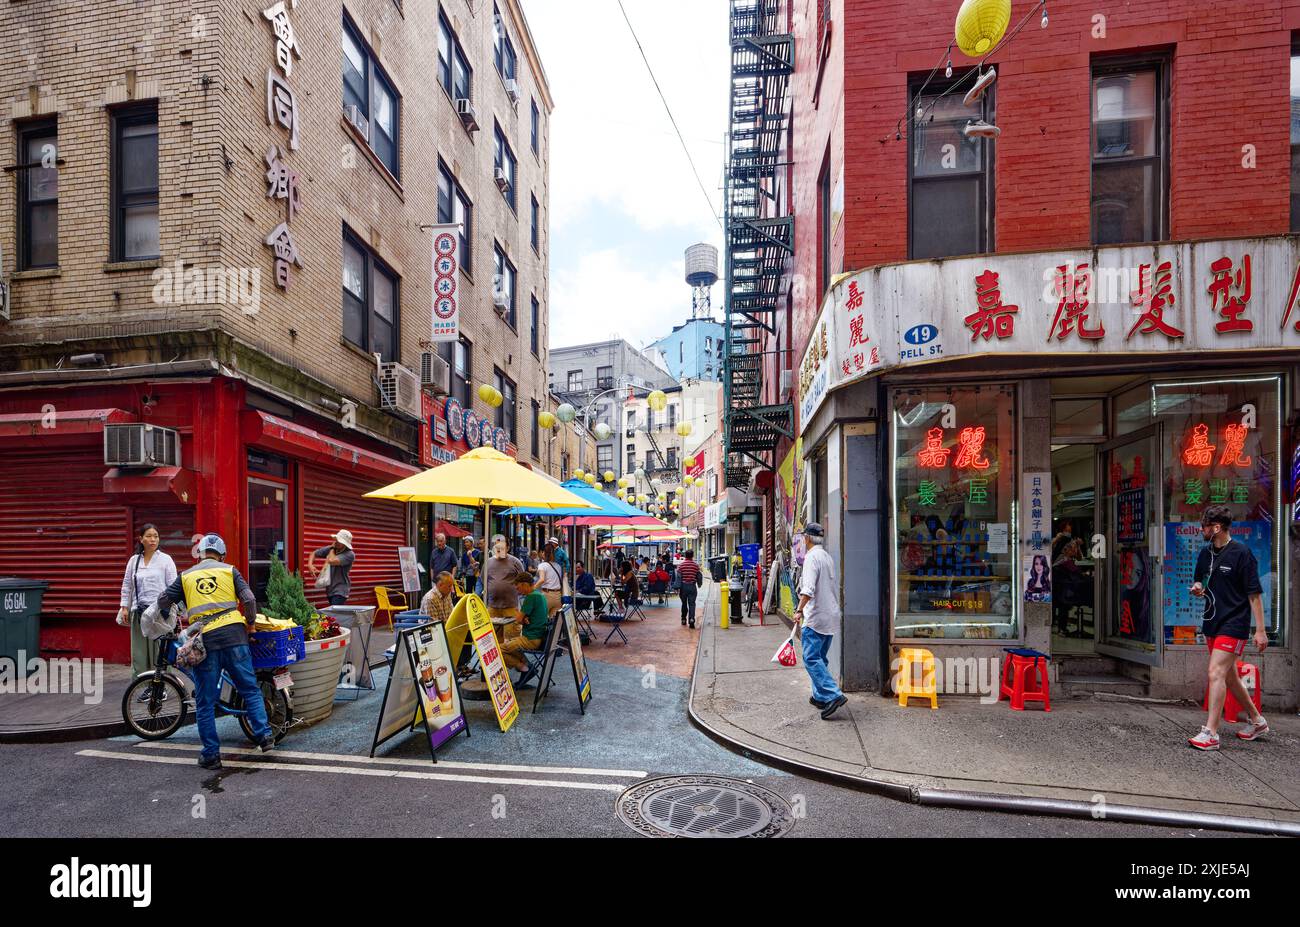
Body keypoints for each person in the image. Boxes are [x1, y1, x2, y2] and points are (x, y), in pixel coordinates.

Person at [154, 534, 274, 769]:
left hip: (205, 641)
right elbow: (249, 599)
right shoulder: (230, 570)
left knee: (206, 701)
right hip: (235, 637)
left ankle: (211, 754)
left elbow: (162, 600)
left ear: (200, 554)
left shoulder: (186, 576)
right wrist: (250, 624)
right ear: (222, 554)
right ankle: (264, 735)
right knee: (249, 689)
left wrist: (175, 611)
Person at [1187, 505, 1270, 751]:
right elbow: (1199, 578)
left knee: (1215, 672)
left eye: (1204, 527)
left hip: (1235, 623)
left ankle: (1211, 733)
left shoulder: (1242, 554)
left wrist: (1260, 630)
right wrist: (1197, 587)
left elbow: (1254, 595)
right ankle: (1257, 720)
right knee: (1230, 677)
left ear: (1216, 528)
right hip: (1212, 622)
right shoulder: (1206, 554)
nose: (1201, 530)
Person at [793, 523, 846, 719]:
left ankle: (833, 694)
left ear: (807, 538)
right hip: (830, 616)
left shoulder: (811, 558)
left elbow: (808, 589)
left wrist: (799, 610)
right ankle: (820, 696)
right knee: (820, 658)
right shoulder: (826, 557)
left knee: (811, 659)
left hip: (816, 617)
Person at [117, 523, 178, 680]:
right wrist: (124, 607)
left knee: (160, 652)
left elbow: (173, 586)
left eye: (155, 536)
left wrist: (174, 610)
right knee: (139, 653)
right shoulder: (134, 561)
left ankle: (163, 685)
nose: (153, 539)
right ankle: (142, 685)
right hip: (139, 612)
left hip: (160, 613)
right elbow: (127, 585)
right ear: (141, 539)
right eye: (149, 536)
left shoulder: (166, 560)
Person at [502, 571, 549, 679]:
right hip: (538, 637)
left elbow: (518, 620)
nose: (518, 591)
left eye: (518, 588)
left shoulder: (531, 597)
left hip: (531, 639)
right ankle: (526, 666)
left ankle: (524, 667)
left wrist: (517, 613)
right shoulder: (540, 595)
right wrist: (524, 618)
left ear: (525, 584)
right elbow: (525, 618)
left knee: (497, 650)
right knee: (511, 646)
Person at [483, 534, 525, 624]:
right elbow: (483, 580)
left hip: (510, 606)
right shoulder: (488, 562)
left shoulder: (515, 562)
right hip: (492, 607)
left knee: (511, 635)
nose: (499, 549)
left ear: (508, 548)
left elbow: (523, 580)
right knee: (493, 635)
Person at [308, 529, 355, 606]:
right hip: (330, 589)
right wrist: (310, 565)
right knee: (335, 615)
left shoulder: (349, 554)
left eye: (340, 541)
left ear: (345, 544)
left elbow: (331, 560)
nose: (337, 542)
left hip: (340, 590)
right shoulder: (332, 548)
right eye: (337, 540)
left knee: (334, 613)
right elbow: (313, 553)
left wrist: (332, 548)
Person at [676, 549, 704, 629]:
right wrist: (699, 584)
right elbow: (699, 575)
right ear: (692, 556)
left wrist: (677, 587)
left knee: (684, 603)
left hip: (683, 587)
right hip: (692, 586)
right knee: (692, 604)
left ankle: (683, 619)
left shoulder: (681, 565)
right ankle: (691, 619)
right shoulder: (695, 565)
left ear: (685, 556)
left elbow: (678, 577)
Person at [534, 544, 564, 617]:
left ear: (543, 553)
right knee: (554, 623)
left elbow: (542, 579)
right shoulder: (558, 566)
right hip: (558, 596)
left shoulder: (542, 565)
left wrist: (532, 588)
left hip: (547, 595)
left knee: (541, 619)